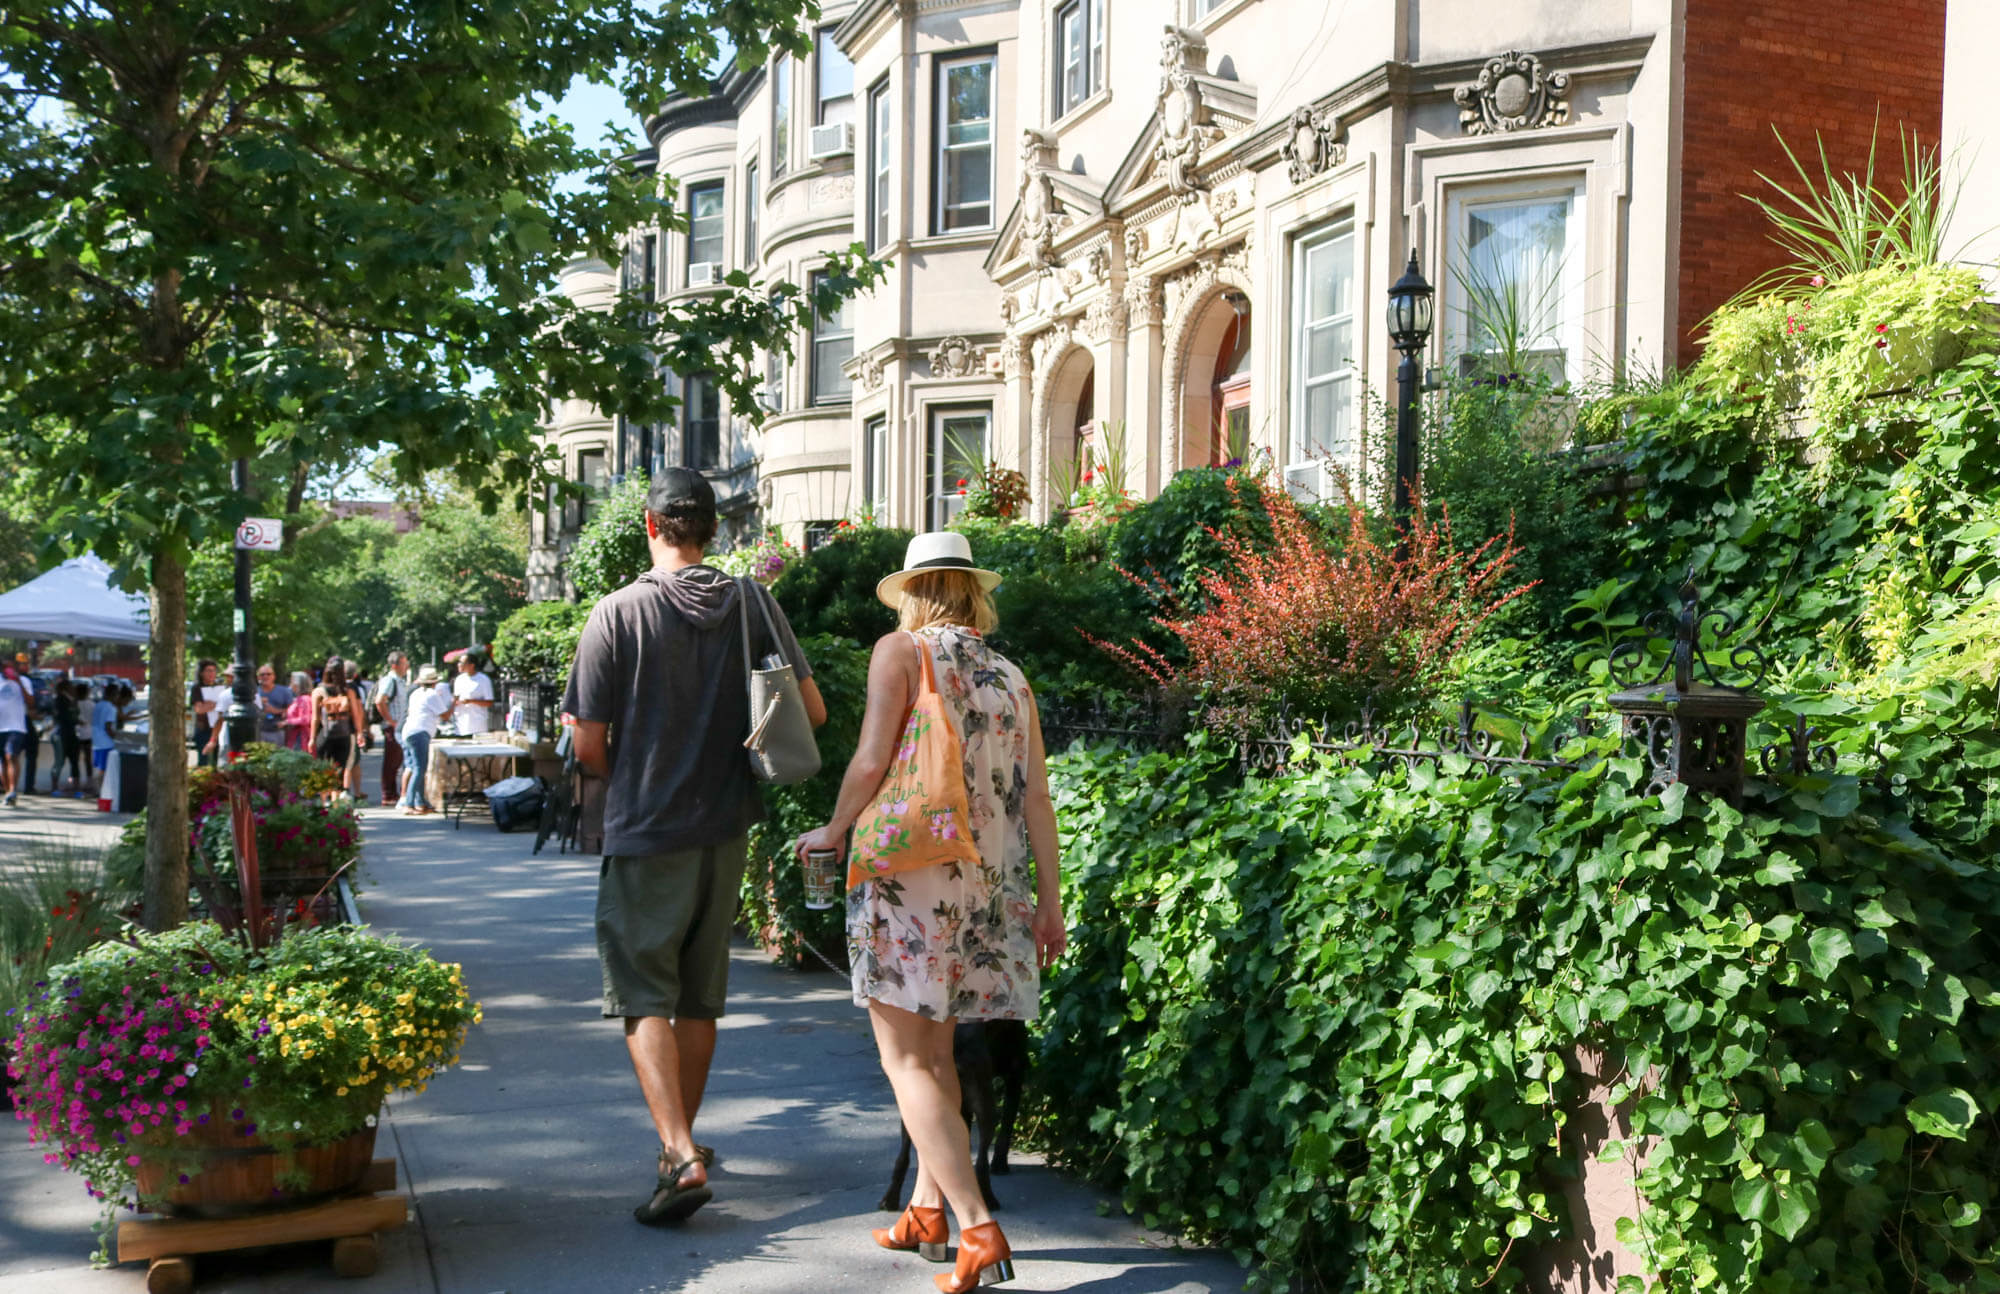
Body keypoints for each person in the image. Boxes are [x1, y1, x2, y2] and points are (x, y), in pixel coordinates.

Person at [796, 531, 1068, 1294]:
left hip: (910, 877)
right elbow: (1037, 801)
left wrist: (834, 828)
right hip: (986, 889)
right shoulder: (1011, 676)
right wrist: (1049, 904)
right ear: (972, 590)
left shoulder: (902, 652)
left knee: (906, 1060)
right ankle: (927, 1213)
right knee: (937, 1056)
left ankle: (977, 1227)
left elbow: (870, 760)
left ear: (914, 591)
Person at [564, 467, 827, 1226]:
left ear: (650, 526)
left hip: (648, 830)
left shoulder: (615, 614)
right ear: (714, 531)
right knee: (698, 996)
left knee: (643, 994)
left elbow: (586, 744)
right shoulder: (752, 601)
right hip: (728, 825)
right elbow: (808, 707)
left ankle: (678, 1153)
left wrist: (633, 781)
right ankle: (680, 1146)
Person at [397, 664, 453, 815]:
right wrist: (454, 703)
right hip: (419, 733)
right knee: (419, 769)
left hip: (409, 731)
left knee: (418, 768)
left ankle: (420, 802)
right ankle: (408, 804)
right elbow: (445, 716)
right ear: (434, 682)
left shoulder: (416, 693)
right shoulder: (432, 695)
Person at [307, 658, 364, 801]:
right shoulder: (348, 690)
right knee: (340, 769)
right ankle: (335, 803)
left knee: (324, 768)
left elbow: (315, 718)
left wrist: (312, 738)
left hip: (325, 735)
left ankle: (323, 802)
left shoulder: (318, 691)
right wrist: (359, 732)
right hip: (344, 735)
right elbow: (356, 714)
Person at [375, 651, 411, 807]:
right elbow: (379, 701)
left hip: (399, 726)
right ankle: (388, 795)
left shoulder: (400, 681)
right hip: (393, 727)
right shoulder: (390, 681)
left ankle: (393, 793)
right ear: (395, 665)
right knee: (391, 763)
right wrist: (391, 721)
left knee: (397, 761)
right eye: (404, 664)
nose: (407, 667)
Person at [0, 662, 33, 807]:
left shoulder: (24, 681)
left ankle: (13, 790)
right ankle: (8, 793)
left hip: (16, 726)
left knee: (10, 756)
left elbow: (31, 702)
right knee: (2, 762)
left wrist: (18, 681)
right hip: (1, 727)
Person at [50, 680, 84, 796]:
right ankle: (54, 788)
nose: (74, 689)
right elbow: (65, 717)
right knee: (59, 761)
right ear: (66, 688)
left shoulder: (72, 701)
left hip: (71, 735)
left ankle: (76, 788)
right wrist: (76, 720)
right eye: (71, 687)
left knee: (74, 761)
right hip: (61, 735)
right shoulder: (59, 701)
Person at [189, 659, 222, 767]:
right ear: (201, 673)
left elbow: (223, 707)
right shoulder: (197, 688)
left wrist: (210, 704)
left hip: (218, 728)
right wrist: (215, 705)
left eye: (213, 671)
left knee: (217, 761)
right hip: (203, 729)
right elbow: (199, 709)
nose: (211, 673)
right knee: (204, 761)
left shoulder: (219, 687)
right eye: (208, 671)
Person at [451, 653, 495, 735]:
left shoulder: (483, 679)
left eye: (462, 663)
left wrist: (471, 701)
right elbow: (456, 698)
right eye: (459, 662)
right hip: (461, 723)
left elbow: (489, 702)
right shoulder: (459, 679)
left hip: (477, 724)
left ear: (471, 665)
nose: (459, 665)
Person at [89, 682, 120, 796]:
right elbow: (108, 727)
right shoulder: (111, 708)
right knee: (103, 769)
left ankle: (98, 789)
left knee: (98, 767)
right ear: (114, 695)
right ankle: (101, 791)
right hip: (106, 742)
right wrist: (117, 738)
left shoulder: (98, 705)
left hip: (96, 740)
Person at [257, 664, 293, 748]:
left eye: (268, 674)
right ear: (258, 677)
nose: (265, 676)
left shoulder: (285, 691)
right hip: (258, 732)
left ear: (274, 676)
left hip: (277, 732)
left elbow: (292, 711)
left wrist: (275, 711)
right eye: (262, 674)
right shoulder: (254, 692)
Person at [283, 672, 314, 750]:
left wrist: (287, 722)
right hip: (295, 736)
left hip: (300, 737)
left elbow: (305, 719)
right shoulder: (300, 698)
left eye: (292, 682)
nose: (290, 685)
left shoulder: (304, 699)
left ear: (298, 684)